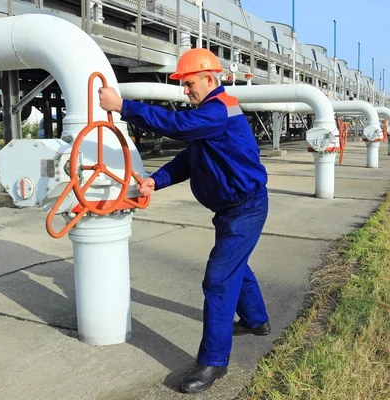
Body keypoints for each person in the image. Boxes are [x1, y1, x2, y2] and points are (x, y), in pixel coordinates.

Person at [99, 48, 271, 394]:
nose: (185, 90)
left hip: (245, 208)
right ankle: (257, 322)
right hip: (232, 209)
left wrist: (123, 106)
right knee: (236, 266)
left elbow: (177, 127)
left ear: (210, 79)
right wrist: (156, 180)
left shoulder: (218, 110)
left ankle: (213, 362)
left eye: (189, 83)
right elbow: (190, 157)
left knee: (219, 280)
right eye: (182, 84)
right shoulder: (211, 115)